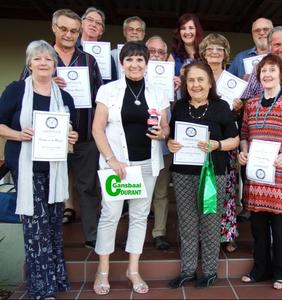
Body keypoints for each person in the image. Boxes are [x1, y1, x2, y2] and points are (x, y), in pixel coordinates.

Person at [0, 40, 78, 299]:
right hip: (26, 168)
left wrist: (72, 137)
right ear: (29, 63)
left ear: (55, 65)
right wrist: (19, 134)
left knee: (54, 228)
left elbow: (71, 130)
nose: (44, 63)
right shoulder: (16, 91)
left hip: (55, 170)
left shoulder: (64, 97)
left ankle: (55, 280)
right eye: (38, 58)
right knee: (36, 229)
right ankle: (41, 288)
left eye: (49, 59)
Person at [20, 9, 103, 249]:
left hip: (85, 134)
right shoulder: (42, 57)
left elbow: (99, 96)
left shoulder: (88, 60)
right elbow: (22, 88)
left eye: (74, 31)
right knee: (49, 185)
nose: (69, 34)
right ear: (54, 28)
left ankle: (92, 235)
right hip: (49, 137)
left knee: (87, 186)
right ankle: (51, 236)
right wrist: (45, 82)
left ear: (79, 33)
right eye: (64, 29)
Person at [92, 41, 169, 295]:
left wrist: (162, 133)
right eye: (129, 60)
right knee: (111, 215)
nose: (135, 64)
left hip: (147, 164)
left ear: (147, 64)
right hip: (118, 166)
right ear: (121, 63)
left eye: (140, 60)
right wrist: (112, 159)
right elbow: (97, 128)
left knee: (138, 216)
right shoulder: (108, 90)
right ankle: (102, 271)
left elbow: (166, 128)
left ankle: (132, 270)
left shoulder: (158, 92)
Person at [167, 61, 239, 288]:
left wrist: (216, 145)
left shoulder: (221, 107)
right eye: (191, 80)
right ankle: (187, 270)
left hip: (212, 174)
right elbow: (171, 137)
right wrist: (170, 144)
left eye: (200, 79)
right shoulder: (179, 107)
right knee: (187, 223)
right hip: (182, 173)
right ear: (185, 84)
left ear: (210, 83)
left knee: (210, 222)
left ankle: (209, 271)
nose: (195, 84)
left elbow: (235, 140)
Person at [238, 54, 282, 290]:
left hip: (281, 173)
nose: (267, 74)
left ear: (281, 75)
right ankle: (260, 270)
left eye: (272, 70)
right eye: (263, 71)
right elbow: (244, 134)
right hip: (257, 174)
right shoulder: (251, 104)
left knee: (280, 227)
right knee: (258, 226)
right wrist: (242, 152)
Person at [199, 33, 238, 253]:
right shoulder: (196, 75)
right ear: (203, 52)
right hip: (199, 140)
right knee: (202, 188)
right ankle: (203, 235)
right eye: (210, 48)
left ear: (225, 53)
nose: (215, 52)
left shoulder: (234, 80)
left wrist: (238, 105)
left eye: (219, 49)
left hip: (225, 139)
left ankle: (227, 234)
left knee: (226, 189)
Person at [145, 35, 171, 250]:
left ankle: (159, 232)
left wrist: (177, 87)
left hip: (163, 146)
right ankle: (137, 232)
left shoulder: (173, 80)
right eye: (151, 51)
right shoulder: (133, 76)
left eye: (160, 52)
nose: (155, 55)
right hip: (136, 148)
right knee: (138, 192)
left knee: (161, 191)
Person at [77, 6, 117, 83]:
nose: (93, 24)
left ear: (101, 31)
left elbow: (112, 83)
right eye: (90, 20)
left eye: (98, 23)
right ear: (82, 24)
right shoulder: (70, 49)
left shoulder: (108, 57)